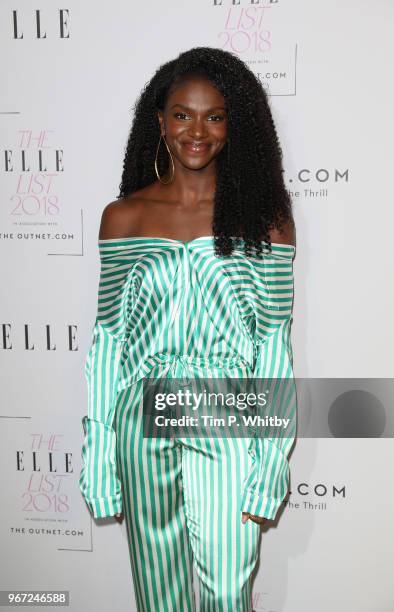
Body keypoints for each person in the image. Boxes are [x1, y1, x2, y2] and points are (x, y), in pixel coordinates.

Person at [78, 46, 296, 612]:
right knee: (159, 595)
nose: (196, 131)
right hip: (140, 422)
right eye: (182, 114)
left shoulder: (264, 221)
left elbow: (273, 347)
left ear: (234, 124)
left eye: (214, 116)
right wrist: (100, 450)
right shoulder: (123, 217)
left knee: (226, 590)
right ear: (160, 120)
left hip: (226, 418)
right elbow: (109, 343)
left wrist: (270, 464)